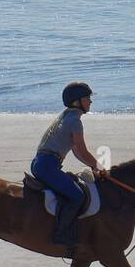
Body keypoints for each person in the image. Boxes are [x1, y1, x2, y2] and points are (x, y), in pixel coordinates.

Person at [31, 82, 104, 249]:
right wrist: (99, 166)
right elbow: (83, 152)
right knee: (77, 195)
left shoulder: (66, 116)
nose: (90, 102)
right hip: (48, 165)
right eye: (87, 98)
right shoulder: (74, 121)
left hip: (43, 164)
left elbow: (77, 153)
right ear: (77, 101)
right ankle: (61, 234)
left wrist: (93, 166)